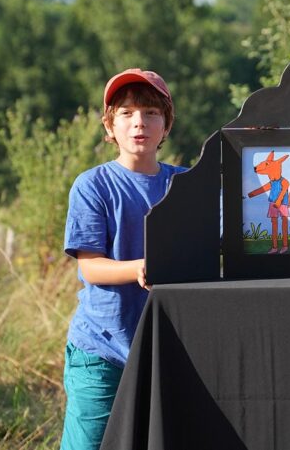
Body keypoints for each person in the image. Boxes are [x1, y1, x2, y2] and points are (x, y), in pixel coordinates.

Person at [59, 68, 187, 450]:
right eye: (127, 113)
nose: (139, 123)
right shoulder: (93, 185)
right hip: (103, 349)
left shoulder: (185, 184)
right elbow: (90, 266)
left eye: (151, 113)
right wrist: (139, 269)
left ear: (166, 125)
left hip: (170, 350)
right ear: (109, 125)